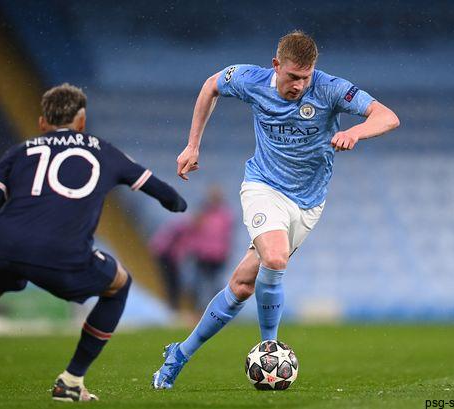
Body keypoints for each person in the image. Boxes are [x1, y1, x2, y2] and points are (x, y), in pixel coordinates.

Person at [0, 83, 187, 402]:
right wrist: (178, 203)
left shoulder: (18, 153)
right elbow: (167, 196)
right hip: (63, 253)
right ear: (82, 121)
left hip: (6, 247)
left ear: (42, 123)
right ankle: (71, 380)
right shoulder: (103, 150)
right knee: (119, 285)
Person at [152, 30, 399, 389]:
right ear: (275, 66)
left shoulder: (330, 88)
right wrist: (192, 146)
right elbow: (211, 86)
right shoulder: (251, 79)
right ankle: (271, 346)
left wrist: (357, 132)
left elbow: (388, 116)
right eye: (292, 77)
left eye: (306, 77)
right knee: (276, 258)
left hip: (308, 203)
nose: (299, 85)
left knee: (240, 286)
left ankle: (180, 353)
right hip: (264, 187)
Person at [188, 186, 233, 312]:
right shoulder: (202, 213)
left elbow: (227, 236)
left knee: (215, 284)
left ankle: (217, 310)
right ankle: (198, 311)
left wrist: (226, 252)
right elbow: (193, 231)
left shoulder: (225, 215)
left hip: (218, 256)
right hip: (202, 255)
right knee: (198, 284)